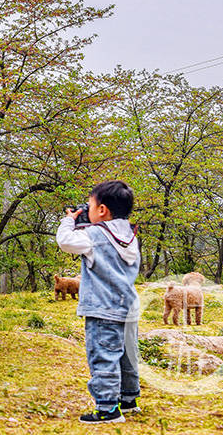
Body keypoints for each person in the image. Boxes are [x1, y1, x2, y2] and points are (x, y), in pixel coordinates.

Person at [56, 180, 140, 424]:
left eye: (89, 206)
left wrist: (69, 220)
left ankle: (107, 408)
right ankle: (128, 399)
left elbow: (64, 241)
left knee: (103, 355)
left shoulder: (93, 236)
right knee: (127, 355)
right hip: (129, 307)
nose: (86, 211)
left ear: (102, 210)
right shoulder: (131, 236)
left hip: (103, 308)